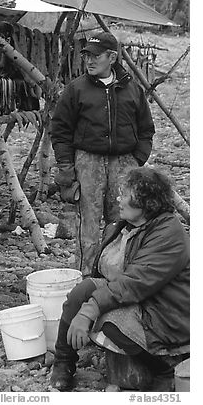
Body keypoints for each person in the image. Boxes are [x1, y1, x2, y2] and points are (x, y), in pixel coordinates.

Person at [50, 167, 190, 392]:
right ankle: (63, 362)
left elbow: (134, 282)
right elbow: (108, 275)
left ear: (146, 202)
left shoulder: (168, 235)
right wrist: (87, 302)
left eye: (124, 195)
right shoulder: (128, 225)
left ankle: (162, 368)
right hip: (144, 297)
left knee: (109, 324)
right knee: (82, 291)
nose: (118, 200)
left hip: (168, 312)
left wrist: (89, 311)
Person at [51, 31, 155, 276]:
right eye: (87, 55)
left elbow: (146, 128)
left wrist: (137, 159)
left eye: (96, 56)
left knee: (122, 219)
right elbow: (61, 130)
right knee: (87, 223)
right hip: (88, 161)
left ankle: (115, 274)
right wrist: (66, 167)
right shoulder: (76, 89)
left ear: (112, 57)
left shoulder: (132, 89)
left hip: (124, 161)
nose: (89, 61)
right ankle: (85, 276)